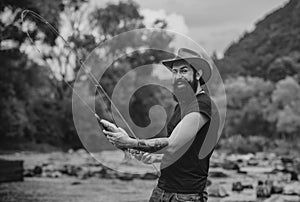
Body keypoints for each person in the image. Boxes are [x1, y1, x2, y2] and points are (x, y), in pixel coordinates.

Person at [100, 48, 219, 202]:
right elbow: (183, 152)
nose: (178, 77)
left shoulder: (203, 105)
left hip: (186, 196)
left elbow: (173, 144)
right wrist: (155, 157)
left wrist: (129, 141)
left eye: (183, 71)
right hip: (161, 191)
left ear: (198, 74)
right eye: (174, 72)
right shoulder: (180, 107)